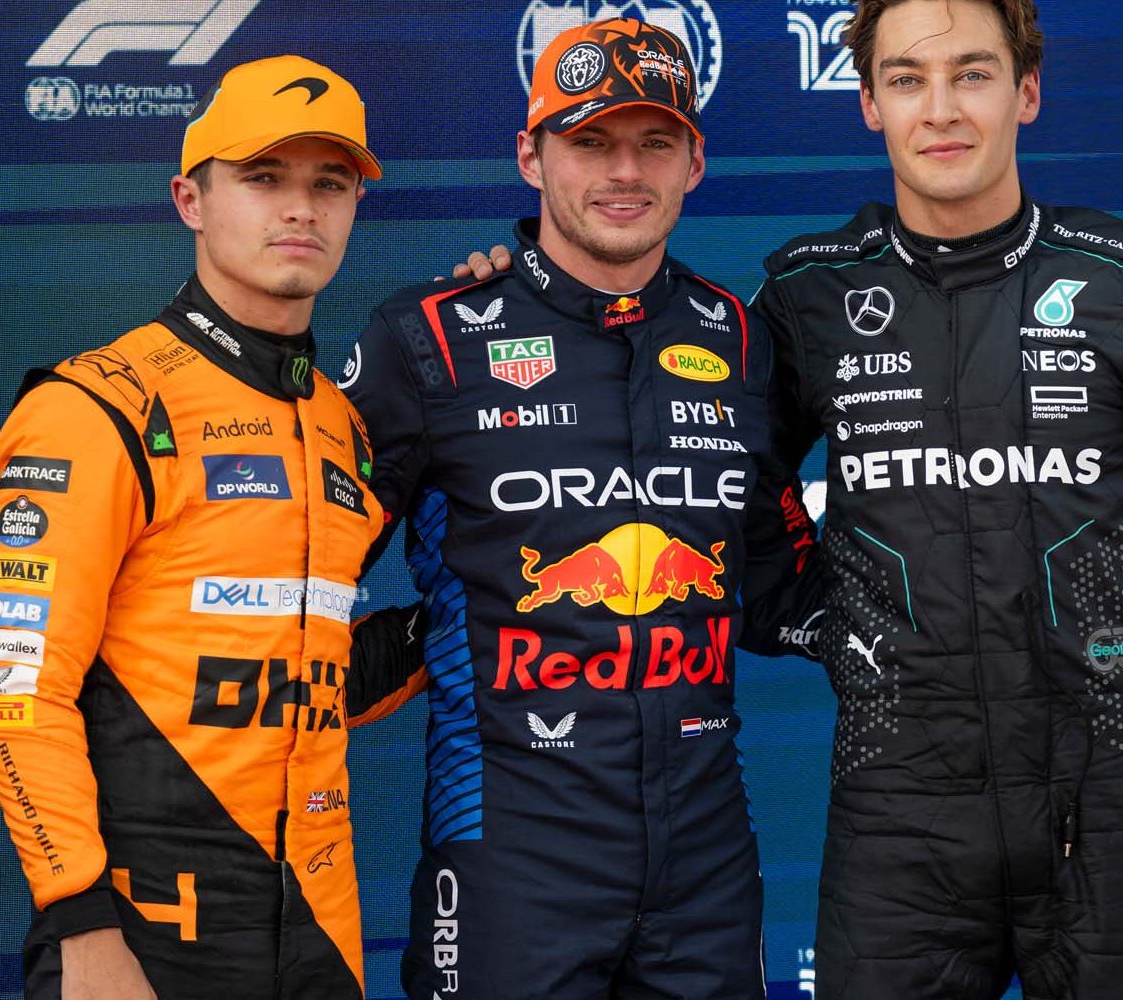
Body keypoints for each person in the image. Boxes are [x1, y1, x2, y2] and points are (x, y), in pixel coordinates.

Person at [459, 1, 1123, 996]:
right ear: (866, 103)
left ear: (1027, 92)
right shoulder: (809, 296)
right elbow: (706, 476)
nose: (941, 110)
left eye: (973, 75)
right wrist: (524, 300)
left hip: (1114, 802)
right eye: (907, 79)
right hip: (898, 809)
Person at [344, 18, 816, 1000]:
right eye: (590, 141)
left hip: (705, 863)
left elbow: (773, 572)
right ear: (531, 155)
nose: (624, 172)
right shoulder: (429, 337)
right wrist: (420, 642)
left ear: (695, 161)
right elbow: (296, 564)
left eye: (654, 143)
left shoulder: (739, 338)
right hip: (511, 861)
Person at [0, 54, 427, 1000]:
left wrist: (451, 629)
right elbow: (18, 689)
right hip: (143, 934)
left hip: (320, 929)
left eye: (328, 184)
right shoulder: (98, 407)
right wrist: (80, 926)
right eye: (264, 178)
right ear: (190, 198)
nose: (300, 208)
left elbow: (313, 671)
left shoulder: (343, 430)